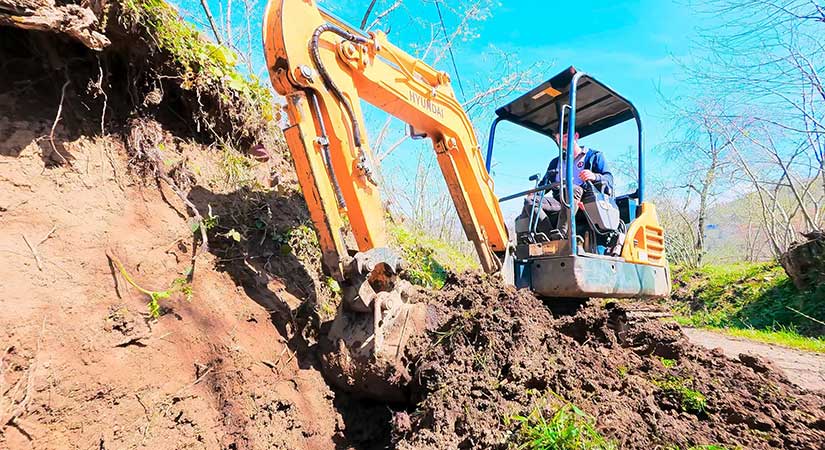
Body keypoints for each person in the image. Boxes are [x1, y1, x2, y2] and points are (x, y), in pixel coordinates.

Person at [521, 131, 614, 240]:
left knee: (570, 189)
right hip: (560, 200)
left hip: (584, 200)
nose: (563, 141)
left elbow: (609, 179)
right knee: (530, 201)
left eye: (565, 136)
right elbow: (544, 184)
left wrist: (594, 176)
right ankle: (549, 236)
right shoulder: (555, 162)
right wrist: (534, 192)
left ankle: (562, 234)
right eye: (559, 139)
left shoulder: (594, 156)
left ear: (576, 136)